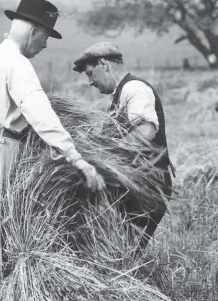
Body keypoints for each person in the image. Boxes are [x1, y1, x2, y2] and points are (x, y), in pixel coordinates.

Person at [0, 0, 105, 301]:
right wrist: (77, 159)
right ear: (34, 31)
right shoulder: (17, 63)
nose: (44, 46)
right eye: (45, 37)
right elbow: (40, 113)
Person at [73, 42, 173, 249]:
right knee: (122, 249)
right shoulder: (119, 96)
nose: (90, 82)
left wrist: (105, 156)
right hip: (136, 186)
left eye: (91, 74)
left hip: (147, 187)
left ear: (104, 64)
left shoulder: (133, 88)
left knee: (124, 252)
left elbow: (146, 130)